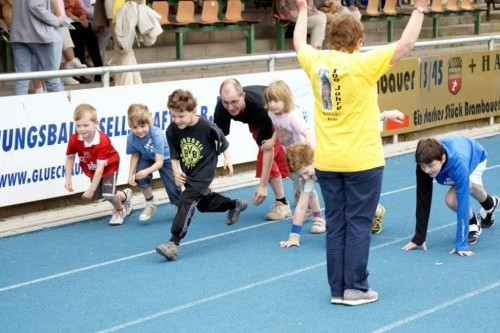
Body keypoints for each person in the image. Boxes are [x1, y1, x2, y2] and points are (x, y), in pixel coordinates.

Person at [293, 0, 426, 305]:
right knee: (359, 224)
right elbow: (406, 43)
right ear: (359, 41)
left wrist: (302, 11)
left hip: (328, 160)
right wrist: (419, 8)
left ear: (330, 40)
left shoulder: (317, 62)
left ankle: (338, 289)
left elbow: (300, 41)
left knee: (337, 222)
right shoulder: (364, 63)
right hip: (362, 160)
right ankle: (356, 286)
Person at [155, 89, 248, 261]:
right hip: (189, 172)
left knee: (186, 201)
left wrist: (227, 159)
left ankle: (173, 243)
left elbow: (223, 142)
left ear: (193, 111)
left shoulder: (207, 126)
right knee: (204, 205)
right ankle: (234, 204)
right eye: (173, 116)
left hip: (205, 170)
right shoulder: (172, 130)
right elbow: (174, 155)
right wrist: (176, 172)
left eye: (181, 116)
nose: (176, 120)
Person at [402, 136, 499, 257]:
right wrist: (419, 237)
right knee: (457, 193)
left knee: (453, 199)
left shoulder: (459, 164)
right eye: (423, 166)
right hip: (454, 163)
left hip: (475, 157)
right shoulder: (425, 162)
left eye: (431, 166)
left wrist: (461, 245)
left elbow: (463, 201)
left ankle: (474, 221)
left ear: (442, 158)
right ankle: (490, 204)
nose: (426, 171)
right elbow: (423, 198)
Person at [214, 78, 292, 221]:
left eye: (234, 102)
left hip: (279, 117)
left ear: (242, 95)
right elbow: (217, 139)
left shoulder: (261, 107)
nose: (230, 107)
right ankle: (288, 199)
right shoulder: (222, 107)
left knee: (277, 157)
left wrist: (262, 185)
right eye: (226, 102)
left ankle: (284, 203)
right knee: (279, 160)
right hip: (256, 122)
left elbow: (267, 150)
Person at [260, 80, 326, 235]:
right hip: (291, 158)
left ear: (286, 100)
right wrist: (272, 139)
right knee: (298, 187)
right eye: (270, 101)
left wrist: (308, 150)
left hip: (302, 158)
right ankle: (308, 210)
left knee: (308, 189)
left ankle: (319, 218)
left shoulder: (293, 117)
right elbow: (278, 128)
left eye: (276, 101)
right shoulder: (272, 114)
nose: (272, 105)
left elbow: (307, 132)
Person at [64, 103, 133, 226]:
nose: (82, 129)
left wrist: (91, 189)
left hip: (109, 165)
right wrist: (68, 178)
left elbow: (101, 167)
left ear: (96, 123)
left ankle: (120, 210)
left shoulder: (103, 140)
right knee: (103, 196)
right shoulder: (74, 139)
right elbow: (70, 158)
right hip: (93, 168)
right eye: (78, 125)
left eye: (86, 125)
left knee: (108, 193)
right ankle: (124, 195)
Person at [126, 103, 182, 222]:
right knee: (139, 177)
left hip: (166, 159)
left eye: (142, 126)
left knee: (173, 186)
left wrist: (146, 171)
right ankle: (150, 203)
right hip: (147, 157)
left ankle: (180, 206)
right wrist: (131, 174)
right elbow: (135, 155)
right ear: (130, 126)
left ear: (150, 121)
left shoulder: (157, 134)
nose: (139, 131)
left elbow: (159, 163)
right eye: (134, 127)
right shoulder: (131, 137)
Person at [10, 0, 64, 95]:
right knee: (52, 79)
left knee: (21, 81)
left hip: (19, 33)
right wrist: (57, 21)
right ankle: (59, 109)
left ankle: (18, 109)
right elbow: (35, 6)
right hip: (40, 34)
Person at [64, 0, 105, 82]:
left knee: (91, 35)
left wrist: (82, 15)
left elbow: (77, 6)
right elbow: (64, 12)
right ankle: (79, 73)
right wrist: (77, 19)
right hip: (64, 21)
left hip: (75, 20)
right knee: (78, 34)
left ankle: (99, 71)